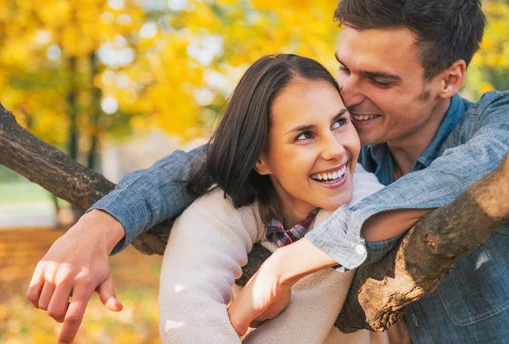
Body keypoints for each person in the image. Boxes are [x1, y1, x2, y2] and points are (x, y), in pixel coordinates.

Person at [27, 0, 509, 344]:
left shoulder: (493, 123)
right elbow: (212, 158)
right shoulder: (345, 148)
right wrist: (97, 226)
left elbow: (474, 171)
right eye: (344, 68)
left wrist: (292, 260)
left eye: (379, 80)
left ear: (449, 78)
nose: (349, 94)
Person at [159, 54, 390, 343]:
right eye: (305, 135)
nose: (335, 149)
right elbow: (188, 318)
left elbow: (363, 215)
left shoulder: (366, 202)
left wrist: (286, 267)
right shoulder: (218, 213)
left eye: (339, 122)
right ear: (260, 159)